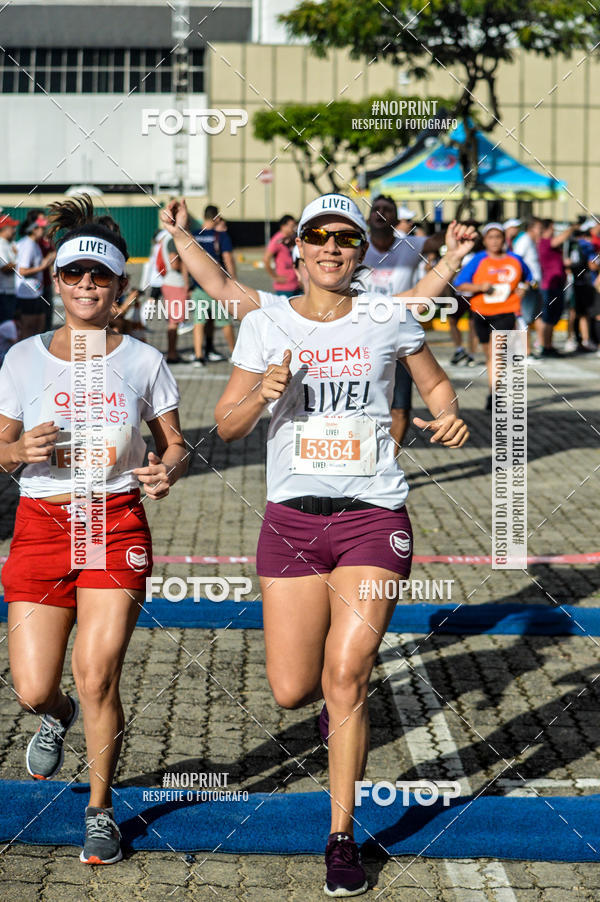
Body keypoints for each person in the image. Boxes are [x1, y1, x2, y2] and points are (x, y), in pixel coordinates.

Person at [214, 193, 473, 898]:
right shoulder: (266, 321)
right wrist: (260, 394)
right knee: (293, 689)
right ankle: (333, 705)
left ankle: (341, 837)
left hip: (372, 515)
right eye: (319, 237)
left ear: (363, 250)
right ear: (296, 248)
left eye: (346, 238)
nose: (332, 248)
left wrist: (446, 416)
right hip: (291, 522)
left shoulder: (388, 316)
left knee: (348, 669)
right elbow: (228, 425)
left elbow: (437, 384)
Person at [0, 194, 187, 864]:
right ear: (56, 282)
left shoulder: (141, 360)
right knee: (32, 687)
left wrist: (167, 470)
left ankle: (101, 810)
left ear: (118, 291)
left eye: (99, 278)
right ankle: (56, 715)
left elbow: (176, 444)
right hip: (42, 522)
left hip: (114, 521)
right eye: (74, 275)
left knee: (97, 671)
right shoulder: (22, 359)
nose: (86, 286)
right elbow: (1, 445)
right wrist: (17, 453)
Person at [363, 195, 446, 450]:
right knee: (362, 407)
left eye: (386, 209)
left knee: (399, 408)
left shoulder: (409, 245)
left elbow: (435, 242)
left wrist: (455, 228)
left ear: (396, 219)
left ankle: (388, 460)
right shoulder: (357, 247)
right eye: (375, 209)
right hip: (361, 335)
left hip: (398, 335)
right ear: (368, 217)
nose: (379, 213)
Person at [454, 222, 531, 410]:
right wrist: (480, 287)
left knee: (497, 355)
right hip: (481, 312)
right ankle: (494, 390)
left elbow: (530, 278)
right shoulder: (478, 259)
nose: (495, 241)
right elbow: (460, 284)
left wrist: (525, 288)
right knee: (490, 356)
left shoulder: (515, 259)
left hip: (505, 312)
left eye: (498, 237)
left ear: (504, 239)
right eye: (491, 237)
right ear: (485, 240)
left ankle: (495, 395)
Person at [189, 205, 237, 366]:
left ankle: (198, 355)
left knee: (200, 321)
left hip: (199, 285)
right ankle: (234, 353)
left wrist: (186, 283)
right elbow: (228, 259)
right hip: (218, 286)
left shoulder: (194, 236)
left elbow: (186, 261)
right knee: (224, 321)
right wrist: (234, 282)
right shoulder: (220, 236)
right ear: (216, 218)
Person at [15, 213, 55, 339]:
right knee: (29, 329)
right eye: (42, 228)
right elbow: (22, 270)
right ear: (33, 229)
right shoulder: (29, 245)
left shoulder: (33, 243)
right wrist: (42, 267)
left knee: (38, 327)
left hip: (34, 292)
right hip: (28, 294)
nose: (44, 231)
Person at [512, 218, 546, 358]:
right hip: (526, 286)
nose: (541, 231)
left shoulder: (531, 241)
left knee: (534, 316)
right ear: (531, 228)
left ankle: (533, 348)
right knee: (524, 318)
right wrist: (522, 284)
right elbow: (516, 260)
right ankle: (525, 352)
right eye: (539, 228)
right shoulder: (524, 240)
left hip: (534, 286)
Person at [566, 218, 599, 352]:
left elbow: (568, 263)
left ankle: (575, 339)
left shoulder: (572, 243)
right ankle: (587, 340)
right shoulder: (587, 245)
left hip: (575, 282)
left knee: (576, 312)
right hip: (587, 283)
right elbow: (592, 266)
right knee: (590, 313)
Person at [264, 214, 300, 298]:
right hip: (284, 289)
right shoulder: (277, 240)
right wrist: (275, 277)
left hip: (296, 285)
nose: (294, 228)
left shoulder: (291, 238)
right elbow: (266, 259)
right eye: (292, 226)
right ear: (283, 226)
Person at [0, 214, 19, 323]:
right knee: (5, 325)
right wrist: (20, 261)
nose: (15, 230)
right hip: (4, 292)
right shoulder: (1, 244)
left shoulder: (9, 243)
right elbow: (4, 268)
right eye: (12, 227)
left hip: (10, 291)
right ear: (4, 229)